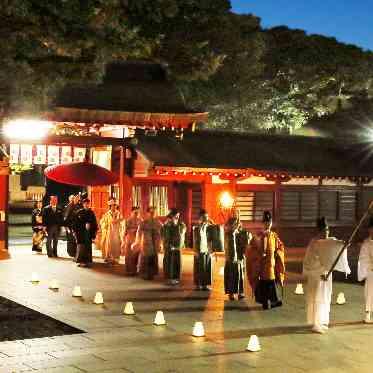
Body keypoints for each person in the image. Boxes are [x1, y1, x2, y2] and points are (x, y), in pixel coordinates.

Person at [303, 217, 350, 333]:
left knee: (325, 297)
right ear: (319, 230)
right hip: (317, 275)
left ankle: (321, 321)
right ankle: (315, 323)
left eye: (328, 229)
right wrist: (321, 270)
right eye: (324, 229)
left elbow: (337, 245)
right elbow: (309, 262)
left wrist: (345, 244)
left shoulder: (329, 241)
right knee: (316, 298)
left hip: (326, 275)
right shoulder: (314, 243)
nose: (327, 232)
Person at [247, 211, 285, 309]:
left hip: (271, 263)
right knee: (264, 283)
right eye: (266, 222)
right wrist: (258, 255)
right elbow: (251, 248)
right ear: (263, 223)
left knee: (271, 281)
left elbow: (280, 246)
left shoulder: (274, 235)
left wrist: (278, 252)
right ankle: (266, 301)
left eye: (269, 222)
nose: (268, 224)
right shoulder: (258, 235)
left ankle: (272, 301)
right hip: (261, 265)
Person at [224, 210, 251, 300]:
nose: (235, 215)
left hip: (239, 252)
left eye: (237, 213)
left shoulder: (240, 224)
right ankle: (231, 293)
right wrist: (233, 230)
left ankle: (240, 292)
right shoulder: (228, 223)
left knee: (240, 273)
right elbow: (227, 234)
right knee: (231, 273)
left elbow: (243, 235)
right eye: (234, 213)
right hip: (231, 253)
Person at [136, 206, 162, 280]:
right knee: (145, 257)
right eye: (151, 212)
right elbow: (139, 232)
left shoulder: (158, 223)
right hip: (146, 242)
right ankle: (144, 273)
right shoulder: (144, 222)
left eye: (154, 212)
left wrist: (161, 243)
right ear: (147, 213)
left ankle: (151, 273)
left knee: (153, 258)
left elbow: (162, 233)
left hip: (155, 242)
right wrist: (137, 242)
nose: (152, 214)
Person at [162, 208, 187, 285]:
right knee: (169, 261)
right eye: (176, 215)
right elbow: (164, 235)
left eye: (178, 215)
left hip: (177, 246)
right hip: (169, 246)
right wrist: (167, 244)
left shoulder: (180, 224)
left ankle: (176, 278)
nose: (177, 217)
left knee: (177, 262)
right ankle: (169, 278)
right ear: (172, 215)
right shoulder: (167, 224)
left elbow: (183, 231)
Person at [193, 209, 214, 290]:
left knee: (207, 267)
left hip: (207, 249)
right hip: (200, 249)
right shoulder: (197, 227)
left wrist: (212, 249)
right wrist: (195, 251)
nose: (206, 218)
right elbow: (195, 240)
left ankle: (205, 285)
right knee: (199, 268)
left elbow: (214, 236)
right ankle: (198, 284)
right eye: (204, 217)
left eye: (207, 216)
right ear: (200, 217)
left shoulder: (209, 226)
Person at [74, 198, 98, 267]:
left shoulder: (91, 212)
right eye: (85, 204)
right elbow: (76, 223)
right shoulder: (79, 212)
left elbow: (94, 223)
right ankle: (80, 261)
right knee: (81, 246)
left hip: (88, 232)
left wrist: (93, 229)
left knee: (88, 246)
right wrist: (83, 225)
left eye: (88, 203)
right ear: (83, 204)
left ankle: (87, 261)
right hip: (81, 232)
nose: (86, 205)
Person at [358, 218, 373, 323]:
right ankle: (368, 313)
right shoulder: (367, 243)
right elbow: (363, 258)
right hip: (371, 271)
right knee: (370, 289)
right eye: (371, 229)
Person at [100, 199, 124, 265]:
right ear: (110, 206)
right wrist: (106, 224)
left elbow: (122, 220)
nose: (113, 207)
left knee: (116, 244)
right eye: (112, 206)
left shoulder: (118, 213)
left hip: (116, 231)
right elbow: (102, 222)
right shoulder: (107, 214)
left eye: (114, 205)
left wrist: (117, 221)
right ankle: (108, 257)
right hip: (109, 231)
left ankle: (115, 258)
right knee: (109, 244)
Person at [123, 207, 142, 275]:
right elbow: (125, 230)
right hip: (130, 238)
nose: (136, 214)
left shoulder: (140, 220)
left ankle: (135, 270)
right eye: (135, 213)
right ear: (131, 212)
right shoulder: (128, 220)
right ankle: (129, 270)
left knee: (136, 255)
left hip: (137, 239)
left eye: (137, 213)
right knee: (129, 255)